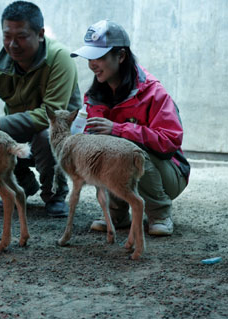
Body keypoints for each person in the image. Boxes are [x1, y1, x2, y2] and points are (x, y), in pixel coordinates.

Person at [0, 1, 81, 217]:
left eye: (21, 36)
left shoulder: (60, 58)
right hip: (21, 132)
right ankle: (22, 184)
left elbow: (52, 115)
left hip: (61, 134)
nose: (12, 45)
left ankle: (55, 194)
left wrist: (0, 124)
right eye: (7, 36)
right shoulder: (1, 65)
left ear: (40, 34)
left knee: (45, 134)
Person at [70, 20, 190, 236]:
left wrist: (118, 129)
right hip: (132, 171)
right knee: (99, 149)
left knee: (129, 150)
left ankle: (160, 213)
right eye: (90, 58)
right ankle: (116, 214)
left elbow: (169, 142)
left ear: (121, 56)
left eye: (100, 57)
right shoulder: (95, 96)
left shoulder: (154, 92)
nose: (92, 64)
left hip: (169, 176)